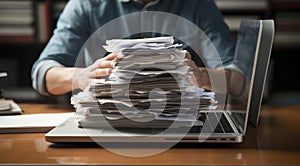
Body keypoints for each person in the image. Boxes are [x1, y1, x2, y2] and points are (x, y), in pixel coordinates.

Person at [32, 0, 242, 97]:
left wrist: (203, 77)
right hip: (104, 122)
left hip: (183, 121)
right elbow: (43, 73)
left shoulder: (198, 5)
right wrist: (82, 76)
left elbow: (238, 80)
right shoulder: (85, 4)